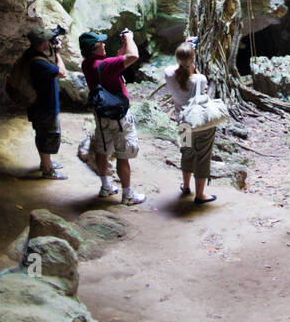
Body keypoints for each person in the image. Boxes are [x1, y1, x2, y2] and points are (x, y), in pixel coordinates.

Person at [80, 29, 146, 206]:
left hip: (101, 115)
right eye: (101, 43)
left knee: (102, 150)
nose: (104, 44)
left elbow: (119, 59)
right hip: (118, 116)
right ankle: (127, 195)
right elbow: (133, 56)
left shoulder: (87, 64)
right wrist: (130, 38)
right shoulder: (106, 65)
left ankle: (105, 187)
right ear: (95, 49)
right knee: (122, 155)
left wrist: (124, 45)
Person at [162, 38, 217, 205]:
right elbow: (200, 96)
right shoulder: (199, 79)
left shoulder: (169, 74)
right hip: (200, 125)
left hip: (183, 124)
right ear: (194, 58)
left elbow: (179, 67)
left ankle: (186, 187)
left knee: (187, 153)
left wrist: (187, 51)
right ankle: (200, 195)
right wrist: (192, 57)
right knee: (202, 157)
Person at [27, 24, 67, 180]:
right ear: (42, 43)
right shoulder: (39, 63)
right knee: (47, 136)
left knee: (43, 134)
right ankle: (48, 170)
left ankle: (46, 162)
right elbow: (61, 73)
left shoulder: (31, 54)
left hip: (39, 104)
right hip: (44, 106)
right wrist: (57, 54)